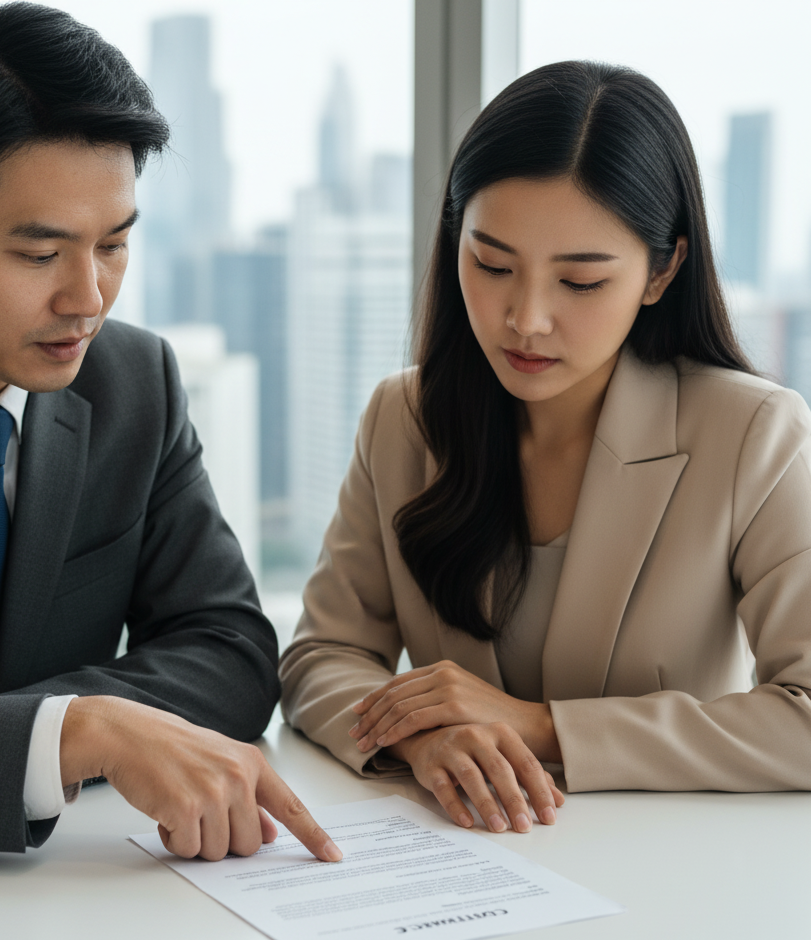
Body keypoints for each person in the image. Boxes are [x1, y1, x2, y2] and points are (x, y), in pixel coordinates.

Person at [0, 2, 341, 864]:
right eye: (40, 255)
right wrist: (70, 736)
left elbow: (230, 652)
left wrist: (63, 729)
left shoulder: (135, 384)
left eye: (113, 245)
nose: (87, 299)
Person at [280, 60, 811, 837]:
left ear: (662, 271)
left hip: (670, 875)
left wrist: (537, 725)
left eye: (582, 282)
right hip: (460, 862)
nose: (525, 319)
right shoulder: (403, 418)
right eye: (492, 265)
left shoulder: (754, 435)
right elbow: (320, 658)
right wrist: (428, 737)